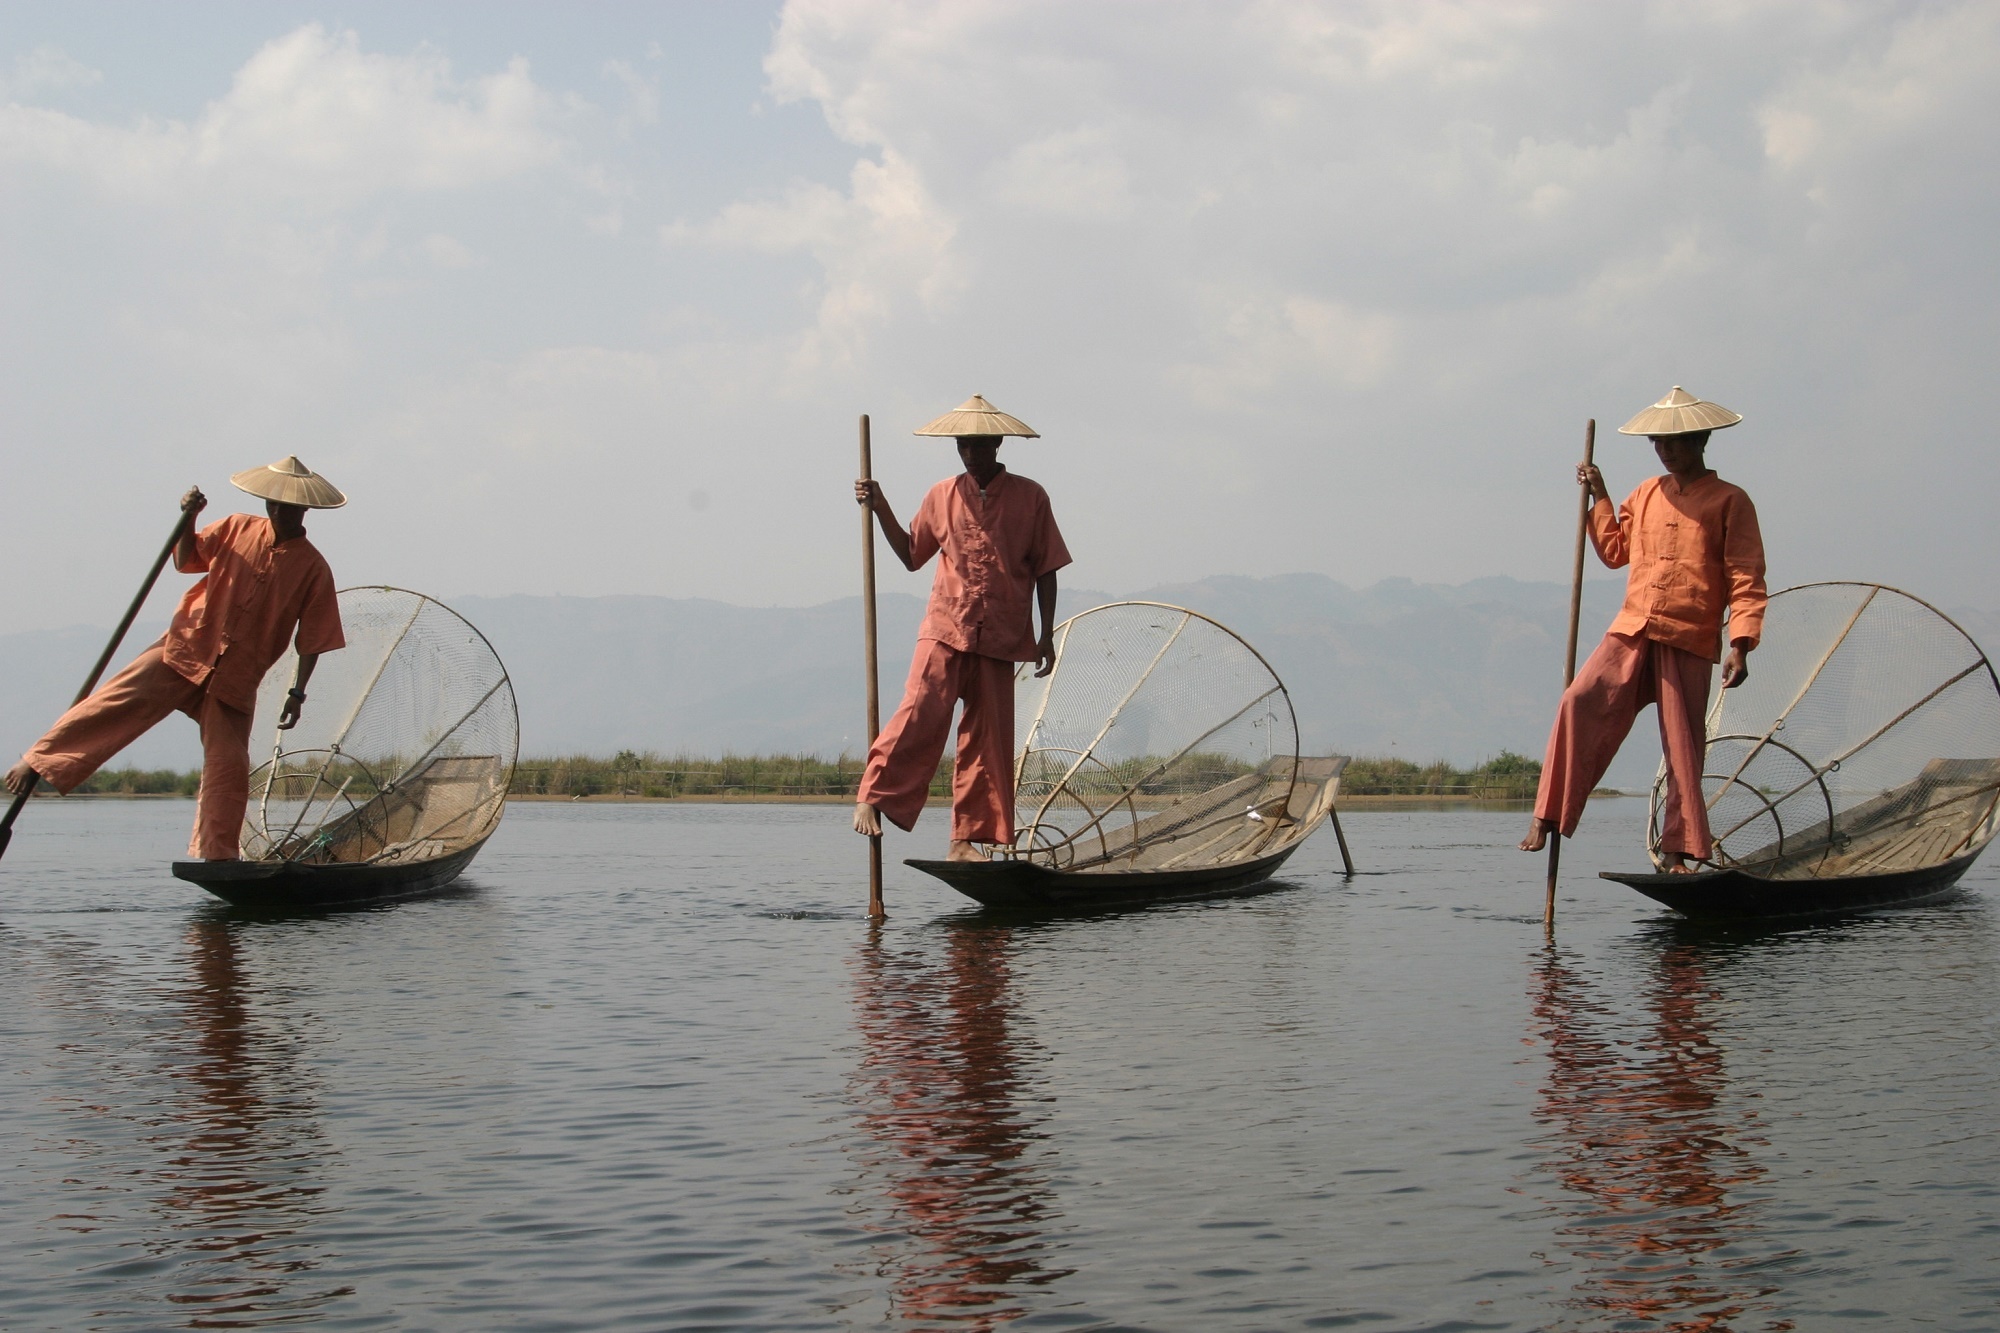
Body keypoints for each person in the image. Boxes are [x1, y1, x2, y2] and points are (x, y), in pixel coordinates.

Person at [4, 457, 347, 860]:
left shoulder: (313, 568)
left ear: (304, 510)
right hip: (186, 648)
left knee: (229, 767)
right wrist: (188, 518)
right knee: (113, 702)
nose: (278, 511)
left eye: (287, 506)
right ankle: (38, 760)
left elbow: (312, 640)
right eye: (273, 503)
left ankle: (219, 854)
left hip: (236, 678)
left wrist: (297, 694)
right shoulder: (236, 527)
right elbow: (186, 560)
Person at [1519, 387, 1767, 872]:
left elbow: (1745, 575)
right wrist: (1602, 496)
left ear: (1701, 441)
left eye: (1674, 442)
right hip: (1634, 626)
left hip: (1688, 634)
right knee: (1578, 701)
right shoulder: (1648, 492)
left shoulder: (1730, 501)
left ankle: (1679, 850)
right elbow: (1614, 552)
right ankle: (1547, 815)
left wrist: (1741, 643)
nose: (1665, 451)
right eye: (1658, 442)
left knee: (1681, 744)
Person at [853, 395, 1072, 862]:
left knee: (986, 740)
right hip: (945, 625)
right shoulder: (941, 495)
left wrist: (1046, 633)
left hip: (1002, 633)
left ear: (996, 443)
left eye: (977, 445)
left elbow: (1046, 567)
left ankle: (963, 841)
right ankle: (872, 794)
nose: (970, 455)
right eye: (962, 446)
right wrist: (880, 506)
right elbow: (913, 554)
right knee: (921, 710)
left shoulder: (1031, 497)